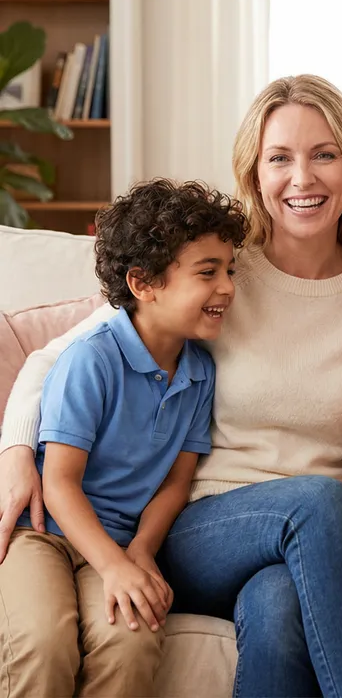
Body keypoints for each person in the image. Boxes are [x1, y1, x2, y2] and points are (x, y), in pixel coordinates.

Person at [0, 75, 342, 697]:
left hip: (319, 542)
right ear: (255, 173)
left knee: (277, 601)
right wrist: (19, 453)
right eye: (279, 158)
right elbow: (58, 358)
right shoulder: (216, 273)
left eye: (324, 153)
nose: (303, 178)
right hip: (201, 526)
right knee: (318, 501)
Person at [0, 179, 248, 697]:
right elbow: (60, 483)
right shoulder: (92, 358)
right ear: (143, 283)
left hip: (115, 542)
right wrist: (113, 565)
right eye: (208, 273)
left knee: (132, 638)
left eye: (230, 270)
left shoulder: (200, 372)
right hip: (38, 532)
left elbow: (176, 484)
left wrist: (138, 553)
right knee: (43, 640)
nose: (227, 287)